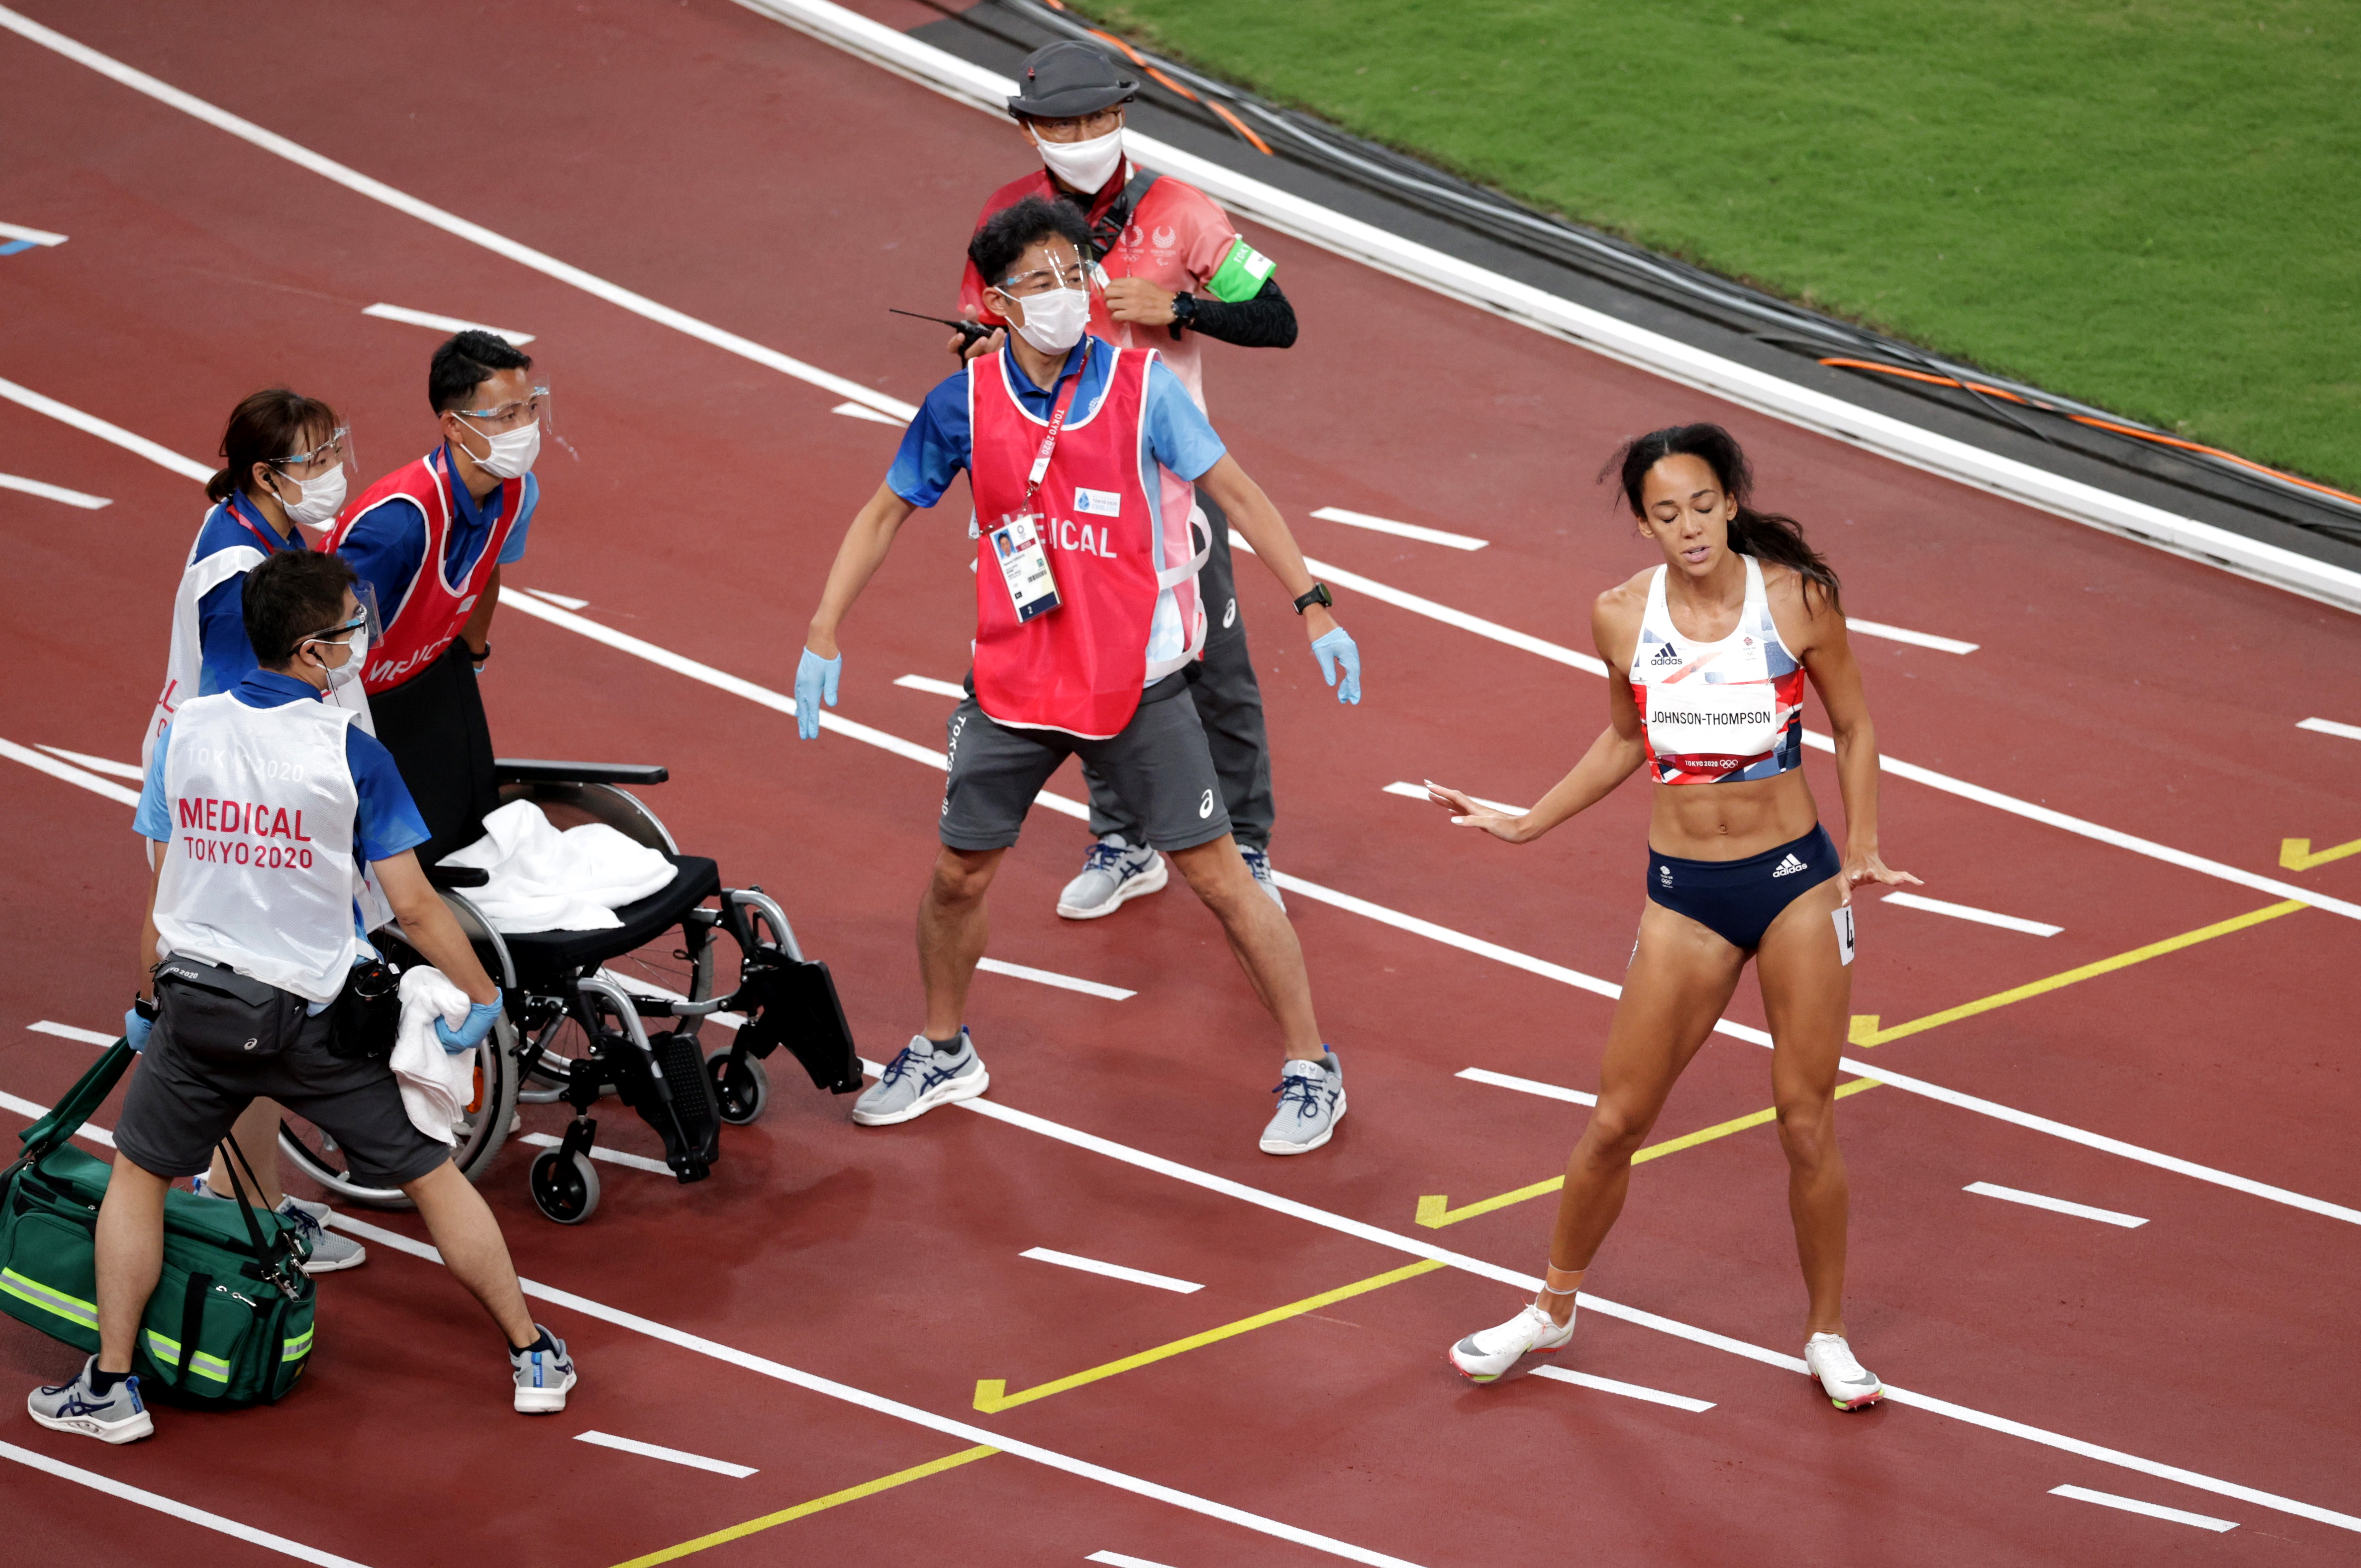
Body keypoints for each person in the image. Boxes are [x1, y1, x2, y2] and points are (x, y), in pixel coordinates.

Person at [796, 199, 1360, 1154]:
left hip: (1133, 684)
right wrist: (822, 631)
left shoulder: (1142, 389)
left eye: (1072, 274)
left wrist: (1313, 605)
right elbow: (885, 511)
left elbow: (1235, 492)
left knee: (1221, 880)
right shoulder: (962, 404)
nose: (1063, 294)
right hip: (1011, 685)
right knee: (956, 877)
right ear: (997, 304)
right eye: (1038, 281)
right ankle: (943, 1049)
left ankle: (1313, 1068)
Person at [30, 552, 576, 1444]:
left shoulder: (186, 733)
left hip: (197, 1007)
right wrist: (482, 994)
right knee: (431, 1176)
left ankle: (113, 1385)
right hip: (312, 1017)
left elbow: (161, 894)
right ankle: (531, 1352)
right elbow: (413, 905)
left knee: (139, 1177)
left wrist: (145, 1002)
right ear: (314, 647)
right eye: (355, 625)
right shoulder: (353, 754)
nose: (364, 636)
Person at [1429, 424, 1916, 1409]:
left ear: (1730, 502)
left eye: (1700, 504)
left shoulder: (1795, 598)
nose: (1686, 525)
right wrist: (1529, 821)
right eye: (1664, 511)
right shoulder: (1618, 615)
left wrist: (1859, 842)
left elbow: (1854, 722)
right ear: (1642, 521)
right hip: (1682, 894)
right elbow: (1623, 739)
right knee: (1615, 1119)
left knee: (1803, 1118)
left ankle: (1824, 1332)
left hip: (1791, 882)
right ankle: (1550, 1307)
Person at [957, 40, 1303, 922]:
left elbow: (1277, 319)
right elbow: (973, 327)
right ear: (1030, 129)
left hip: (1169, 486)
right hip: (1058, 487)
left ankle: (1248, 841)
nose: (1075, 136)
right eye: (1057, 123)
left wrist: (1179, 307)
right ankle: (1123, 838)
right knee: (1087, 663)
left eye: (1092, 119)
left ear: (1118, 118)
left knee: (1211, 666)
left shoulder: (1181, 214)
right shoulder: (1006, 218)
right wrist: (982, 346)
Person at [141, 389, 367, 1274]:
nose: (334, 469)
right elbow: (245, 719)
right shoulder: (237, 571)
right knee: (244, 1009)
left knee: (249, 1012)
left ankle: (249, 1196)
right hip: (220, 809)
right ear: (268, 474)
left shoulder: (268, 531)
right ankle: (242, 1208)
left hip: (223, 801)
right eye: (317, 458)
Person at [329, 331, 546, 865]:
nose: (525, 428)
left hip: (426, 679)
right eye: (507, 416)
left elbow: (485, 570)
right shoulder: (396, 526)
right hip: (351, 698)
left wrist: (472, 657)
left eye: (530, 409)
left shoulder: (518, 490)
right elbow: (323, 633)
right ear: (454, 425)